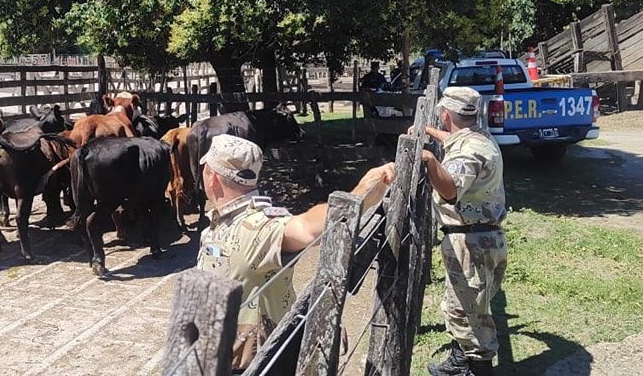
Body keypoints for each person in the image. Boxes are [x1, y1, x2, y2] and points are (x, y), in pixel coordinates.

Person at [195, 134, 396, 371]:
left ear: (213, 178)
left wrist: (359, 193)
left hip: (252, 366)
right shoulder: (223, 222)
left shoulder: (257, 226)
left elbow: (306, 227)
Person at [417, 87, 507, 376]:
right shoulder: (479, 138)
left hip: (471, 243)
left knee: (471, 315)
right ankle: (460, 361)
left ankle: (480, 370)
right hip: (482, 237)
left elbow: (451, 188)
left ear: (446, 114)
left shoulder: (468, 152)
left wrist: (429, 160)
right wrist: (430, 131)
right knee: (464, 306)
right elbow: (456, 141)